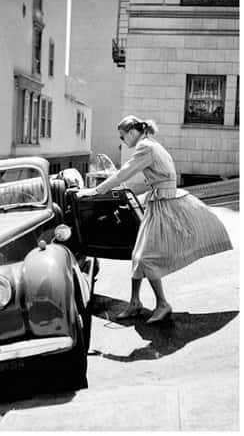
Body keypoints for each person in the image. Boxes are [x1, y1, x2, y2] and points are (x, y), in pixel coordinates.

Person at [77, 115, 232, 323]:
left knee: (146, 257)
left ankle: (162, 304)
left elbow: (124, 173)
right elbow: (163, 179)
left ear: (132, 133)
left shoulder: (145, 148)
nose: (123, 142)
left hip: (163, 206)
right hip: (159, 201)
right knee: (137, 255)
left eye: (123, 137)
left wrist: (94, 191)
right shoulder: (153, 145)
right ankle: (134, 303)